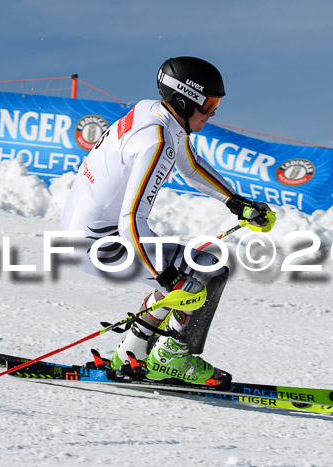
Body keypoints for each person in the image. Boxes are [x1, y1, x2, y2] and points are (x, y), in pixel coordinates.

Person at [60, 56, 276, 387]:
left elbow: (191, 166)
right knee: (202, 272)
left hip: (86, 235)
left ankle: (131, 351)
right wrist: (167, 278)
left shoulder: (154, 113)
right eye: (208, 104)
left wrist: (236, 202)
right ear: (182, 101)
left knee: (183, 274)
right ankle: (170, 357)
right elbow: (132, 221)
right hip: (97, 244)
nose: (213, 112)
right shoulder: (156, 142)